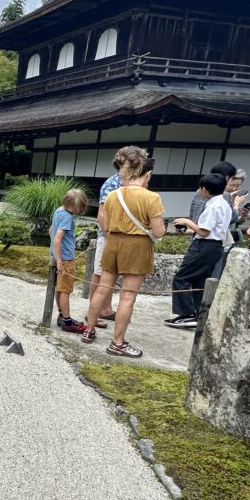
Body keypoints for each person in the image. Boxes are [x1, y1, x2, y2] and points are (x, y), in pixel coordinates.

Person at [83, 146, 166, 358]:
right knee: (127, 296)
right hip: (136, 246)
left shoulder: (112, 195)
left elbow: (106, 224)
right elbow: (159, 231)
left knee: (101, 288)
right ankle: (117, 342)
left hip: (113, 242)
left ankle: (89, 330)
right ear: (147, 174)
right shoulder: (151, 198)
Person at [164, 174, 232, 328]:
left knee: (181, 278)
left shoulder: (213, 206)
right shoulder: (223, 204)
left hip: (204, 246)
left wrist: (187, 222)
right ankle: (198, 313)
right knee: (199, 280)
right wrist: (190, 230)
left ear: (205, 189)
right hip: (214, 246)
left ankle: (186, 313)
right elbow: (211, 230)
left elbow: (204, 231)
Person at [50, 189, 90, 334]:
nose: (78, 211)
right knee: (66, 290)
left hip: (58, 256)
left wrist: (55, 255)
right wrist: (60, 261)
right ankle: (67, 321)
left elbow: (51, 231)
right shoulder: (67, 217)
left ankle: (62, 316)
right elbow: (58, 238)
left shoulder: (58, 211)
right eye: (78, 208)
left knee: (60, 289)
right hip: (66, 258)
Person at [91, 153, 124, 322]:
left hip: (117, 236)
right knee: (99, 273)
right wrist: (107, 234)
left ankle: (105, 308)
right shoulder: (113, 183)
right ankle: (94, 312)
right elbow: (102, 214)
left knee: (110, 273)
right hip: (109, 235)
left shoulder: (124, 183)